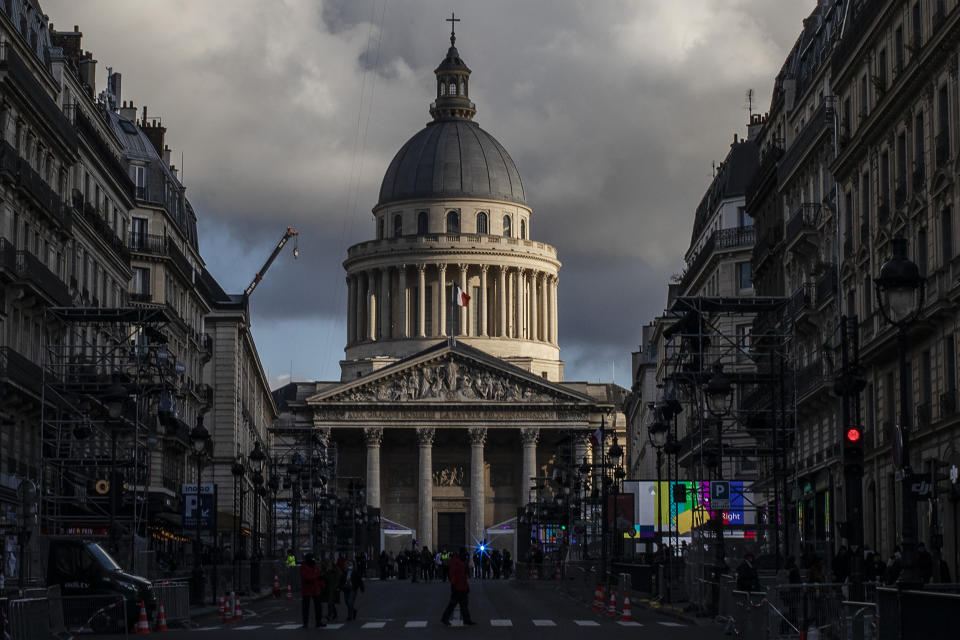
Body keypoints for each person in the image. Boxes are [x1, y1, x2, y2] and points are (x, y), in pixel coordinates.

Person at [441, 548, 476, 626]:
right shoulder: (455, 562)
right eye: (464, 554)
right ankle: (445, 618)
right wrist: (453, 585)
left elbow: (464, 576)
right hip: (457, 587)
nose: (465, 556)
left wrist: (467, 587)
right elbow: (452, 574)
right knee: (452, 604)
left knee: (464, 605)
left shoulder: (462, 562)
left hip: (462, 587)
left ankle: (467, 619)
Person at [299, 553, 325, 628]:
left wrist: (322, 585)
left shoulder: (315, 566)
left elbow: (319, 577)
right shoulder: (304, 567)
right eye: (312, 558)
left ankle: (318, 622)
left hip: (316, 589)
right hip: (307, 589)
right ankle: (305, 623)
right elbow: (307, 577)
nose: (313, 560)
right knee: (306, 607)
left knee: (318, 607)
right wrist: (317, 576)